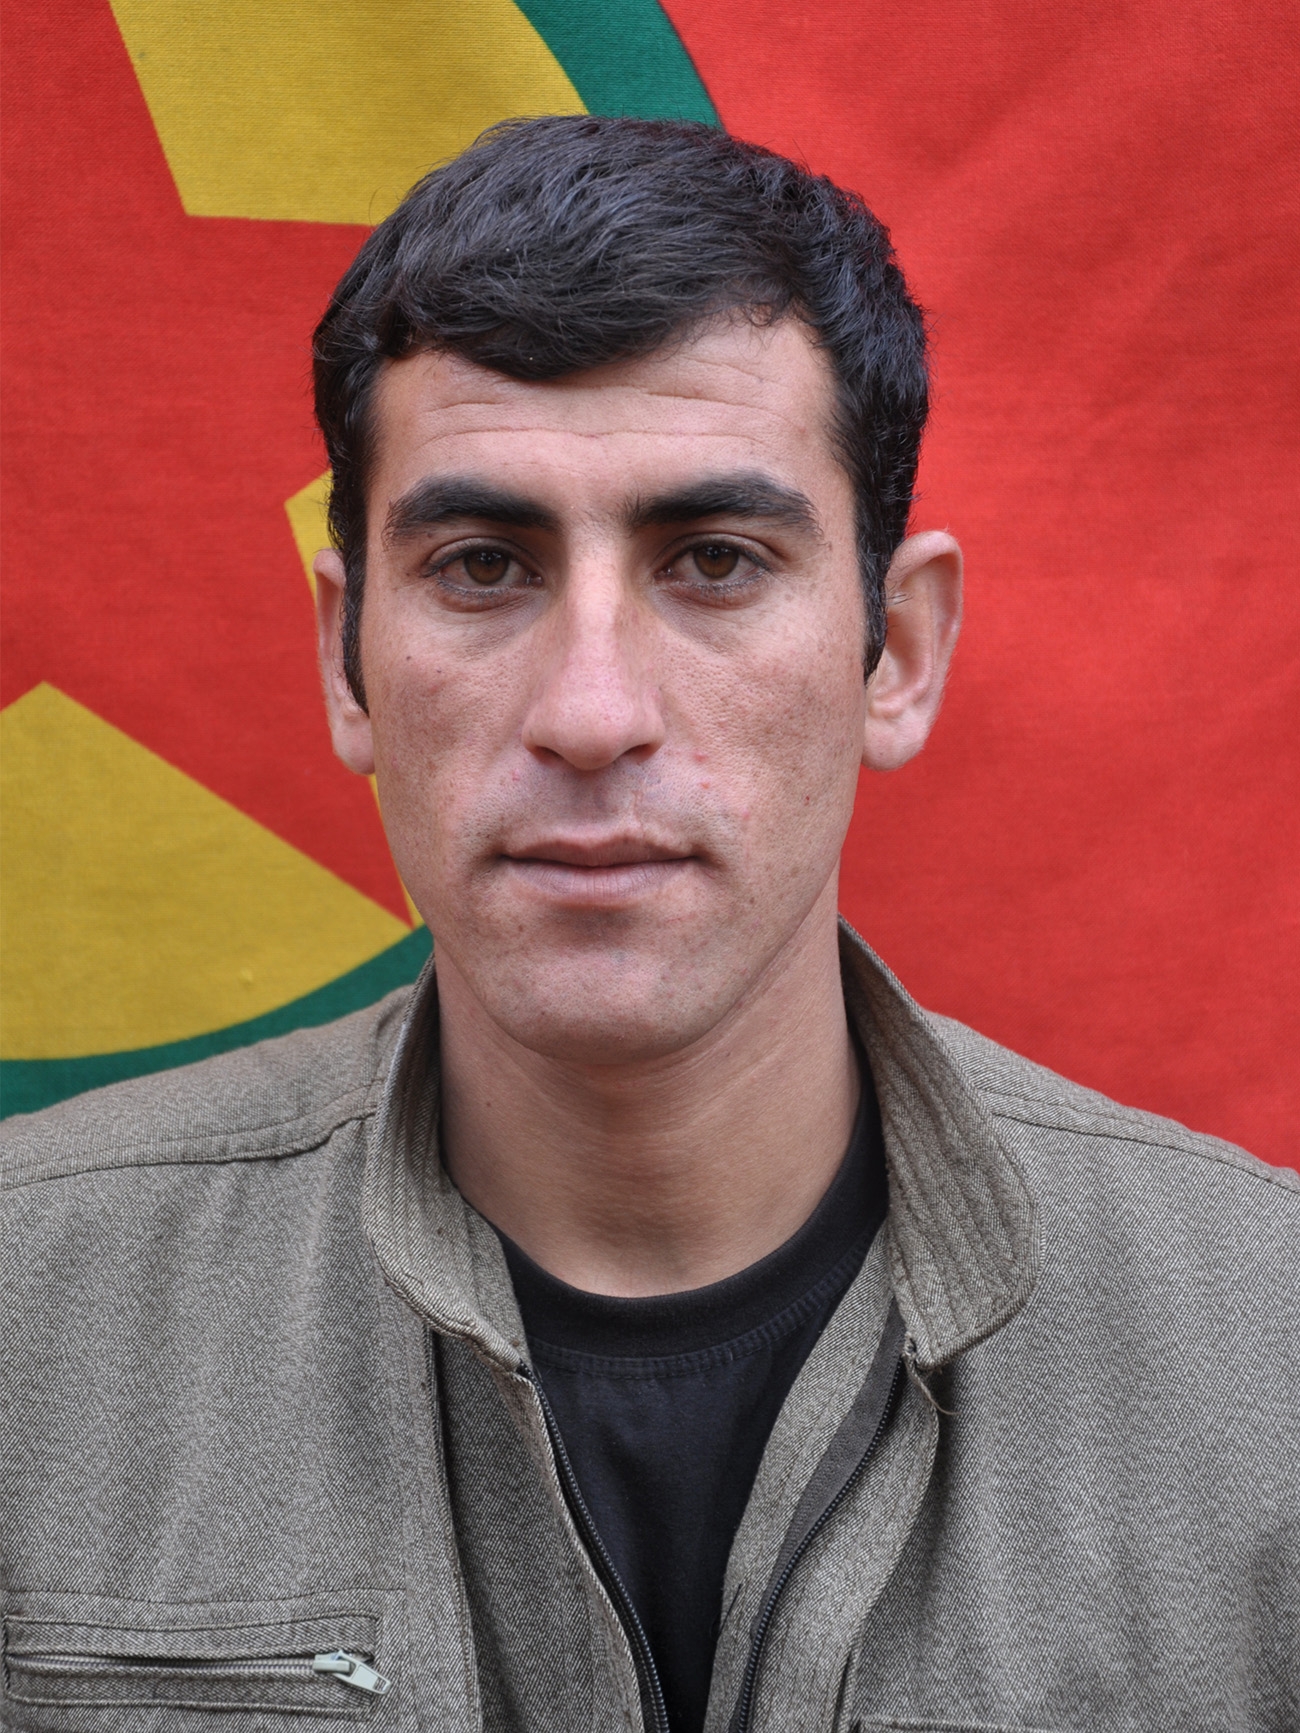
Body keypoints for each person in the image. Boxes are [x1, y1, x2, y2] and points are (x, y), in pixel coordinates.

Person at [1, 116, 1296, 1733]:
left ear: (896, 651)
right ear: (348, 658)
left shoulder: (1273, 1357)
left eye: (716, 561)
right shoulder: (28, 1320)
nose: (593, 711)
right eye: (484, 564)